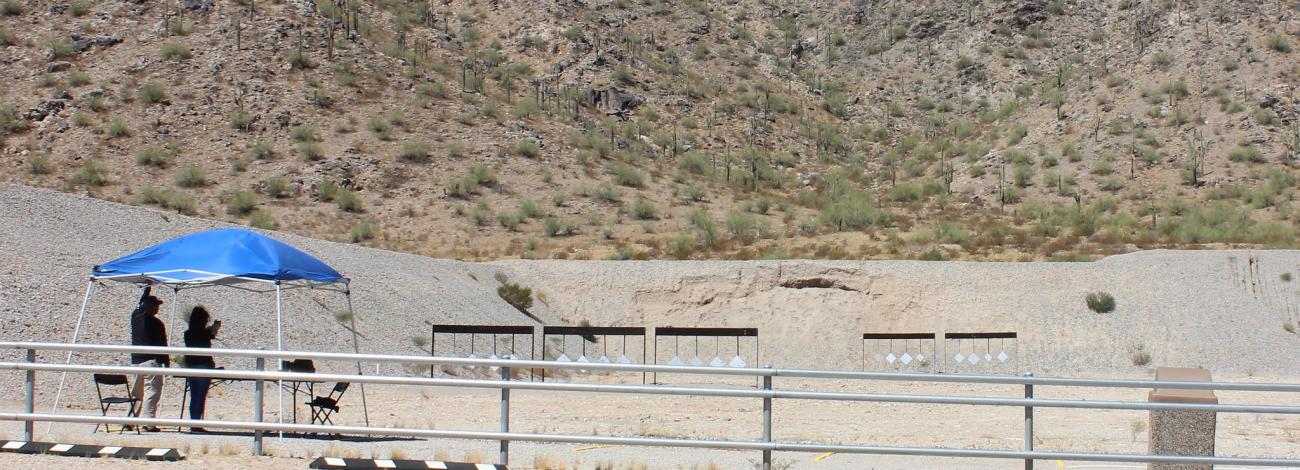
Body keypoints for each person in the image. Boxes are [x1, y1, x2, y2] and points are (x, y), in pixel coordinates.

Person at [129, 288, 168, 432]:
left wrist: (147, 289)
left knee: (136, 393)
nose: (157, 308)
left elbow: (139, 305)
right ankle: (148, 422)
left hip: (136, 360)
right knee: (152, 391)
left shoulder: (135, 318)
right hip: (151, 361)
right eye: (156, 305)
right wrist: (166, 361)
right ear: (151, 307)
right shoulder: (157, 323)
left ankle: (129, 420)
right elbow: (162, 344)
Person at [183, 306, 220, 433]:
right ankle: (196, 424)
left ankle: (194, 422)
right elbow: (212, 334)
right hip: (204, 365)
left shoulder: (187, 334)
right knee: (200, 396)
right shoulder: (205, 333)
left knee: (194, 395)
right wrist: (214, 327)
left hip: (190, 366)